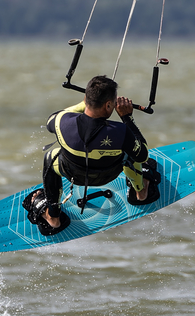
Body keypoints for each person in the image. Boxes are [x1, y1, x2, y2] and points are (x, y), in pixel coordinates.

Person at [23, 75, 155, 235]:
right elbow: (143, 155)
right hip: (110, 174)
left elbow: (51, 120)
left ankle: (53, 216)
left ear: (86, 99)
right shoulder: (121, 131)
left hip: (73, 175)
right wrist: (127, 118)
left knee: (50, 157)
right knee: (132, 154)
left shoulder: (63, 121)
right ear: (108, 105)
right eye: (112, 105)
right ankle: (140, 192)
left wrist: (84, 102)